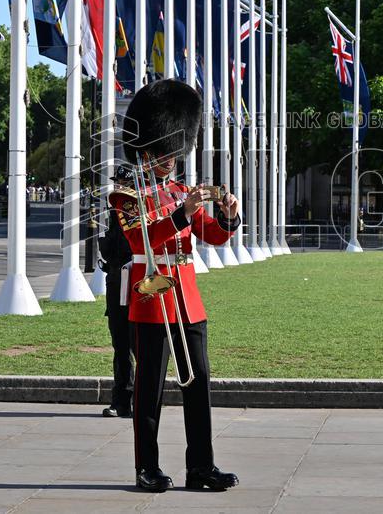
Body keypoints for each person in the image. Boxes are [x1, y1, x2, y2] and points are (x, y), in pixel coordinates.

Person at [109, 79, 241, 493]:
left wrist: (229, 216)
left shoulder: (182, 191)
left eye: (175, 151)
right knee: (149, 389)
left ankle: (201, 466)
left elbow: (213, 236)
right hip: (151, 297)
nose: (172, 160)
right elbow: (138, 240)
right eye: (166, 152)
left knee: (198, 382)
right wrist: (182, 216)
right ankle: (146, 467)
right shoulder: (126, 195)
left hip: (187, 297)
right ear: (146, 150)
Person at [98, 168, 135, 419]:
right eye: (118, 183)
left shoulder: (144, 210)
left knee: (140, 345)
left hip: (137, 278)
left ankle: (139, 400)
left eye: (125, 183)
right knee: (120, 343)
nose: (120, 187)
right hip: (115, 278)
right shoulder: (114, 210)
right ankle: (121, 401)